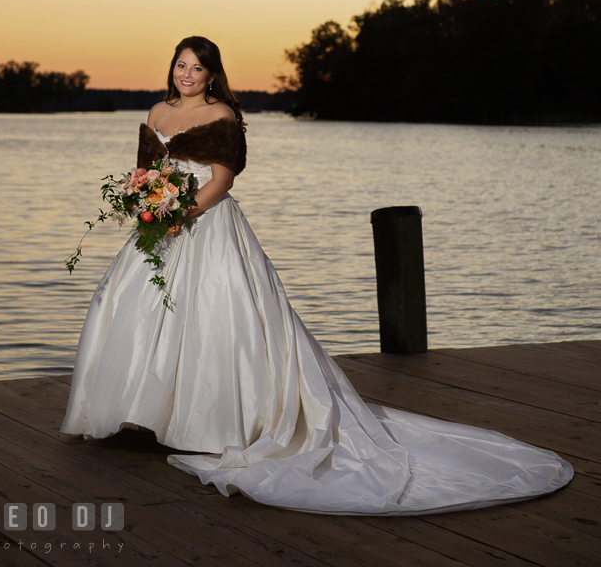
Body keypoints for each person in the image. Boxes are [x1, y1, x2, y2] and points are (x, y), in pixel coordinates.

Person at [61, 35, 573, 515]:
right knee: (128, 306)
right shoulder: (157, 111)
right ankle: (143, 415)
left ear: (213, 75)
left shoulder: (222, 114)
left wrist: (179, 215)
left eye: (198, 68)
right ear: (171, 68)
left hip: (205, 226)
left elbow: (220, 180)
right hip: (161, 227)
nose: (187, 74)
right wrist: (148, 204)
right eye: (181, 65)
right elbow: (146, 172)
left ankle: (212, 423)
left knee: (218, 319)